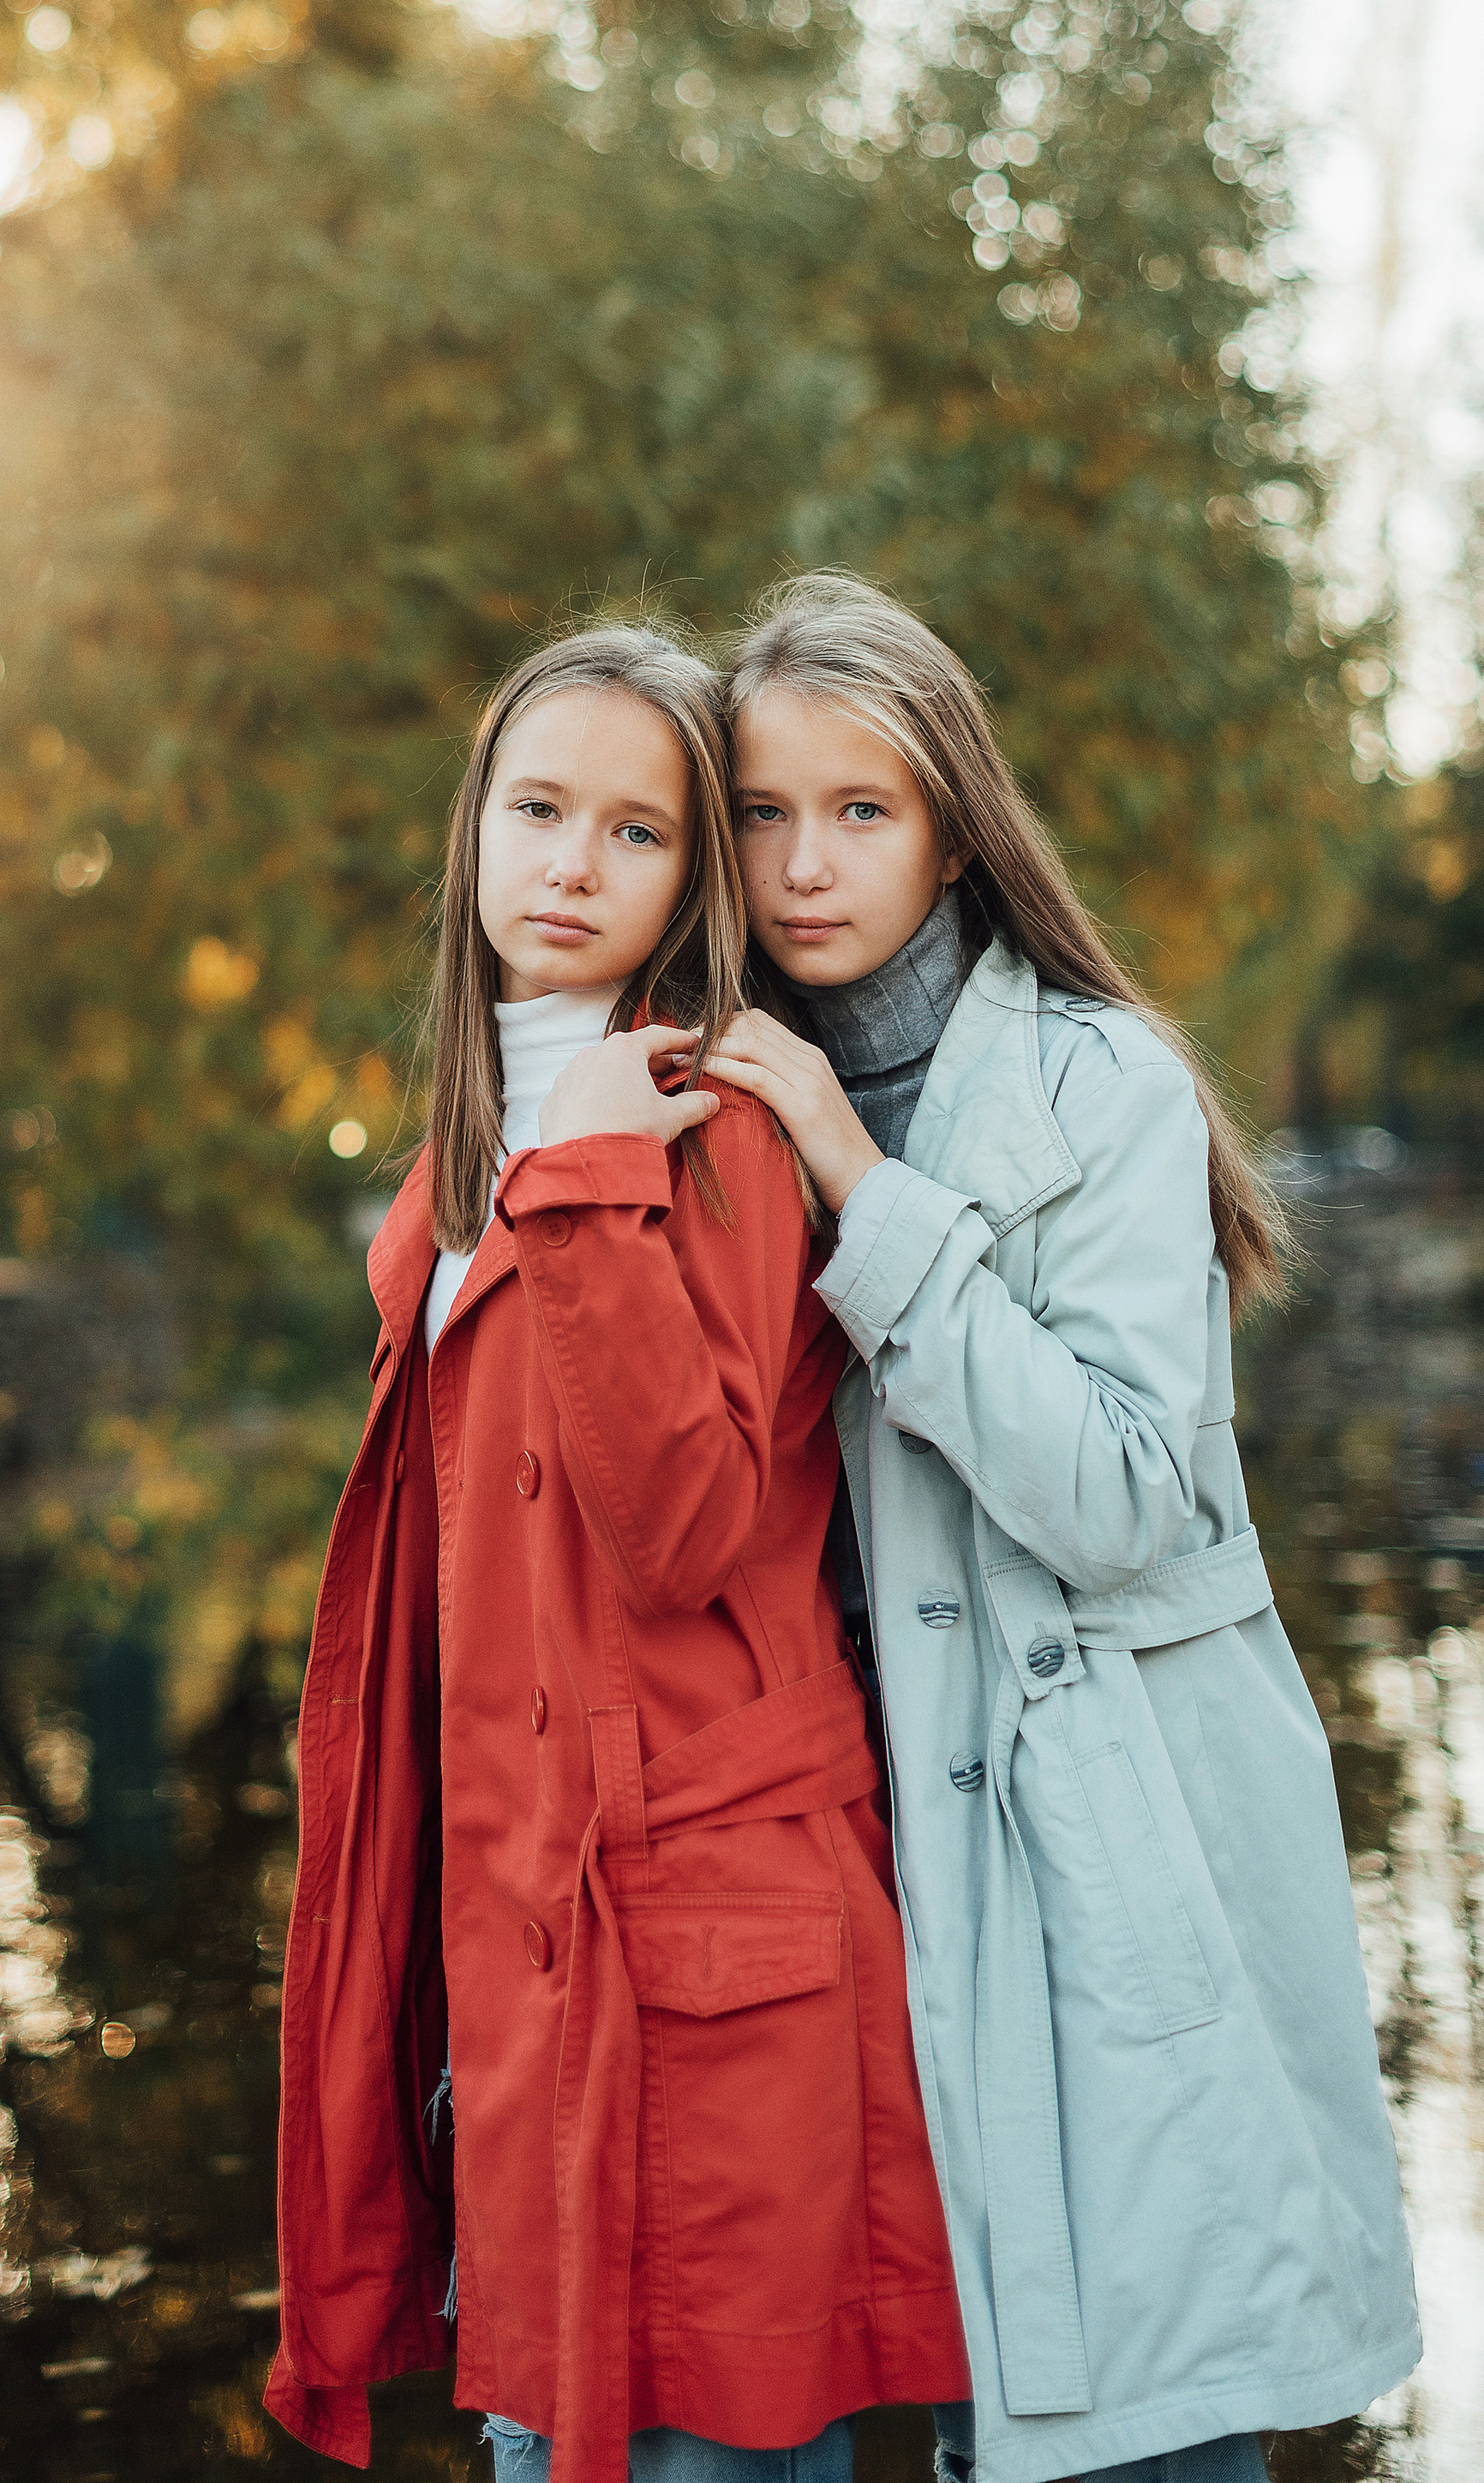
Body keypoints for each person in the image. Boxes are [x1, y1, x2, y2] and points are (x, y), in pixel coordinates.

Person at [704, 573, 1420, 2483]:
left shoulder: (1097, 1085)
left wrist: (861, 1190)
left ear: (949, 827)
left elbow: (1112, 1494)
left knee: (1139, 2410)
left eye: (857, 810)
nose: (802, 864)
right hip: (837, 1856)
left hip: (1106, 1825)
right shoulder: (705, 1102)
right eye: (760, 811)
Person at [266, 626, 971, 2483]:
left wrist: (584, 1189)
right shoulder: (456, 1166)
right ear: (473, 837)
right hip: (524, 1958)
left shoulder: (720, 1133)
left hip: (710, 1970)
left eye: (637, 832)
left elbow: (676, 1536)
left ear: (691, 886)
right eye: (537, 809)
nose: (571, 864)